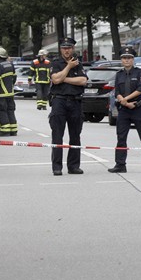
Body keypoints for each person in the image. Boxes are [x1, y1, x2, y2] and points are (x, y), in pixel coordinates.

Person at [108, 47, 141, 174]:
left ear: (133, 59)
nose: (127, 60)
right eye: (124, 58)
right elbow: (117, 91)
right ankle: (120, 164)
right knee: (121, 137)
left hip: (137, 109)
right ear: (121, 60)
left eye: (129, 58)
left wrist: (126, 100)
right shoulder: (119, 74)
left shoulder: (139, 72)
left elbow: (140, 89)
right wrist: (122, 101)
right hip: (124, 110)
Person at [48, 38, 88, 176]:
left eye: (69, 48)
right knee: (57, 136)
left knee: (75, 136)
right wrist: (68, 67)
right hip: (59, 102)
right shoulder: (56, 63)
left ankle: (73, 166)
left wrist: (63, 78)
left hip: (76, 102)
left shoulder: (79, 64)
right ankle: (57, 167)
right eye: (64, 48)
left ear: (73, 48)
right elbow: (55, 79)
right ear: (60, 49)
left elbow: (83, 81)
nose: (67, 50)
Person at [0, 47, 17, 136]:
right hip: (10, 93)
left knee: (2, 111)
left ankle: (5, 130)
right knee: (10, 110)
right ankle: (13, 130)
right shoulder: (10, 64)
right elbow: (14, 78)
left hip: (1, 94)